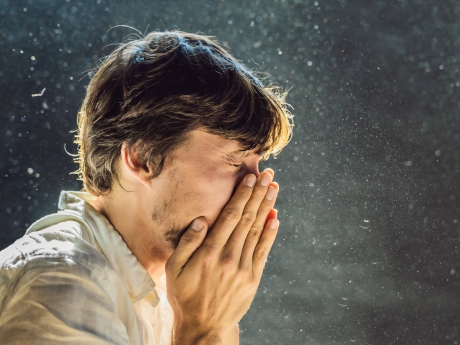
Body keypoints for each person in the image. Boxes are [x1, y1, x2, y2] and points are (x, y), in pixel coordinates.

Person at [0, 30, 293, 344]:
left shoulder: (171, 298)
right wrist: (204, 331)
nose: (257, 188)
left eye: (257, 164)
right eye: (236, 162)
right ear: (144, 159)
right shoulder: (61, 286)